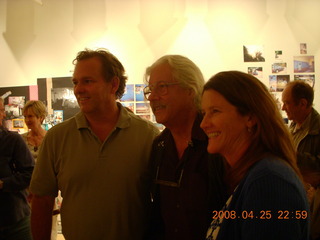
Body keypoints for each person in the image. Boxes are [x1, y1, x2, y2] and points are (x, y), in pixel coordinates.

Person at [29, 48, 160, 240]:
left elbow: (163, 202)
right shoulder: (57, 137)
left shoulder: (148, 135)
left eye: (88, 81)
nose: (78, 89)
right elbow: (41, 200)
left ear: (113, 84)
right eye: (76, 82)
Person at [201, 71, 309, 240]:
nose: (203, 124)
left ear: (250, 117)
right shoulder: (255, 176)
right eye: (204, 113)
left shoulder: (269, 181)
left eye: (215, 111)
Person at [144, 55, 227, 240]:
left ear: (190, 90)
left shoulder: (215, 139)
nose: (152, 97)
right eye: (150, 90)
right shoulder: (160, 146)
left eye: (162, 87)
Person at [282, 80, 320, 240]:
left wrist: (287, 153)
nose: (283, 108)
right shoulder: (293, 127)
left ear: (303, 104)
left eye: (287, 103)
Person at [22, 100, 60, 240]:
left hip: (46, 193)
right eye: (25, 116)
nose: (27, 120)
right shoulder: (21, 140)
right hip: (25, 195)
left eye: (31, 116)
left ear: (41, 117)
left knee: (49, 231)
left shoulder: (51, 139)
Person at [0, 97, 35, 240]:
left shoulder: (13, 140)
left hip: (14, 219)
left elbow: (30, 173)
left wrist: (3, 183)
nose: (3, 114)